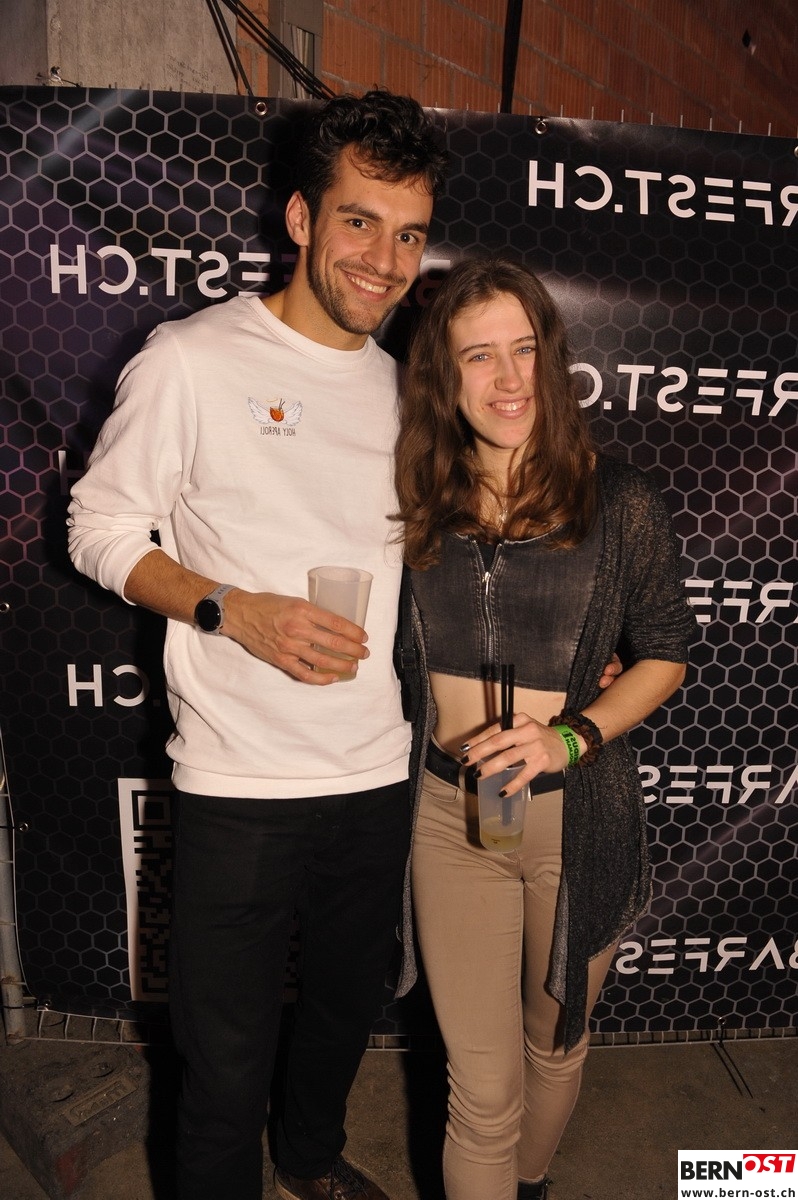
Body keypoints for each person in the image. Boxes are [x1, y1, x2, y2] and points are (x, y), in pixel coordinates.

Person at [67, 90, 448, 1200]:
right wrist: (231, 609)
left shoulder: (403, 390)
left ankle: (311, 1161)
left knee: (343, 1012)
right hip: (237, 784)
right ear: (300, 218)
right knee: (221, 1065)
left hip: (374, 774)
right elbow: (97, 528)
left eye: (410, 234)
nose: (384, 260)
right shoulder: (191, 360)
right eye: (360, 222)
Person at [393, 257, 697, 1200]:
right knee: (482, 1093)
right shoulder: (406, 501)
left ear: (552, 358)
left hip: (578, 820)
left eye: (523, 350)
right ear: (443, 377)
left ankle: (530, 1184)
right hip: (451, 821)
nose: (508, 380)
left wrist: (570, 735)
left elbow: (667, 653)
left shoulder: (621, 501)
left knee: (554, 1042)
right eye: (478, 356)